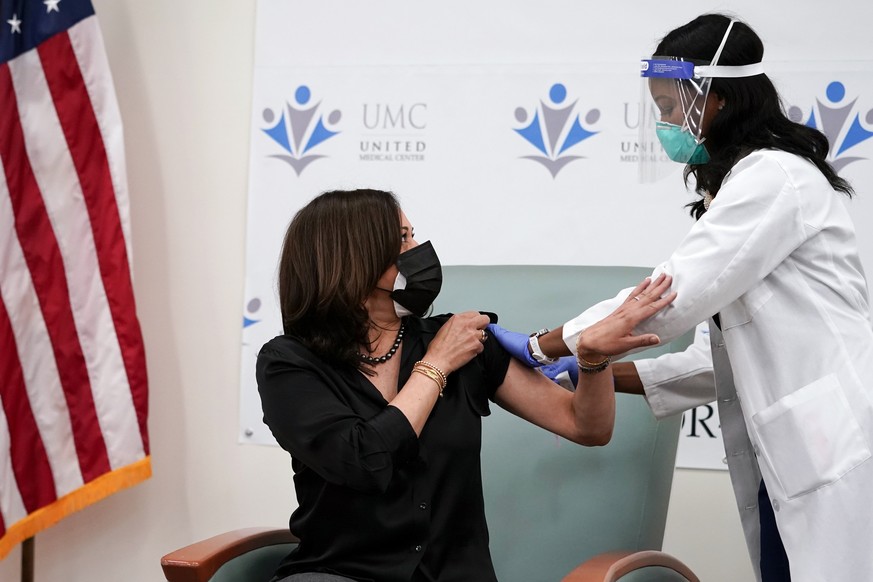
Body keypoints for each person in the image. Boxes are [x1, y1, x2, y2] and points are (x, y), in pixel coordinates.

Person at [489, 13, 873, 582]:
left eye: (670, 107)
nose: (665, 123)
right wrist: (586, 371)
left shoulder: (773, 177)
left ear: (715, 98)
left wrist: (544, 345)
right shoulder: (747, 182)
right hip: (794, 456)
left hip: (832, 448)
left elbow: (670, 297)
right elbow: (708, 363)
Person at [255, 188, 674, 582]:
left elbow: (586, 426)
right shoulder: (290, 364)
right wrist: (436, 364)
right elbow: (365, 460)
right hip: (339, 575)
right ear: (354, 259)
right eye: (402, 239)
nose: (418, 251)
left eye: (413, 235)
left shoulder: (464, 340)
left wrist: (593, 358)